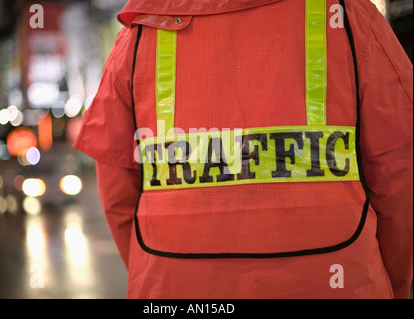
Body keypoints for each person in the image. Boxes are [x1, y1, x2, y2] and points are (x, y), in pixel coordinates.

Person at [74, 0, 413, 299]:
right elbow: (399, 172)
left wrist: (157, 272)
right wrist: (391, 284)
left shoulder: (141, 36)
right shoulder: (347, 17)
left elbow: (117, 191)